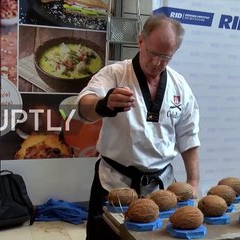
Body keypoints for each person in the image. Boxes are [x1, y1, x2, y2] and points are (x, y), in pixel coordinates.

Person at [78, 14, 200, 239]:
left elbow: (188, 135)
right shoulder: (115, 74)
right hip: (113, 182)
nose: (157, 62)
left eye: (165, 57)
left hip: (161, 187)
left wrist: (193, 181)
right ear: (140, 41)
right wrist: (103, 105)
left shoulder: (180, 86)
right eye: (152, 53)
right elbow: (84, 107)